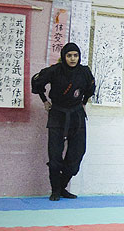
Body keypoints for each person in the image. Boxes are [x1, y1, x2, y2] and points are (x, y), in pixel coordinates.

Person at [31, 42, 95, 201]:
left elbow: (90, 89)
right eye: (69, 55)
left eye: (75, 55)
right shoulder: (54, 70)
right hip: (58, 114)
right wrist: (44, 101)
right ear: (63, 57)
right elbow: (36, 82)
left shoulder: (84, 72)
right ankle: (55, 190)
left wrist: (84, 103)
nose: (73, 59)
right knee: (55, 155)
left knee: (77, 153)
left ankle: (62, 186)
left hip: (76, 115)